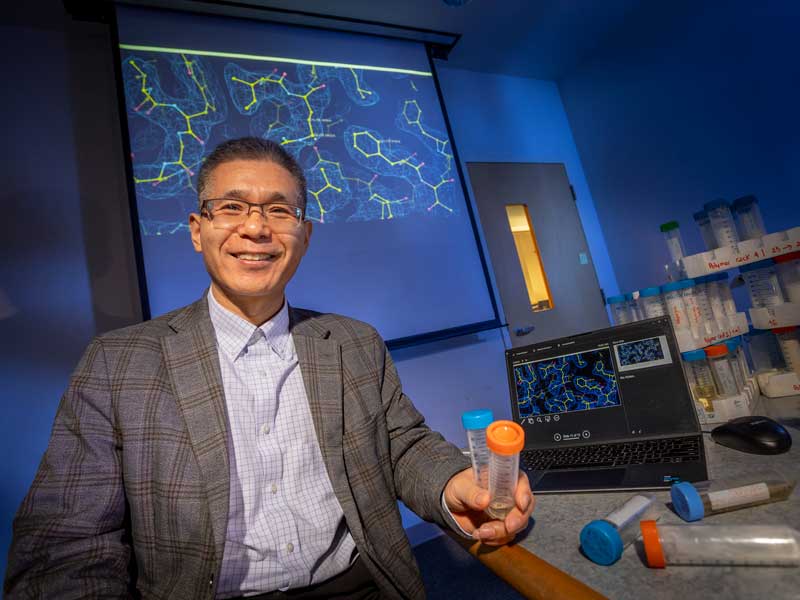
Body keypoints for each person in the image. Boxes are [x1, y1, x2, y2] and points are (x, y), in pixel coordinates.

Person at [5, 137, 534, 599]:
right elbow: (66, 542)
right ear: (197, 229)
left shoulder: (354, 342)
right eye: (232, 207)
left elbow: (403, 445)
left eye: (280, 211)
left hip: (361, 586)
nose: (256, 228)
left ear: (304, 235)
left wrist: (453, 484)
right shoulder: (117, 364)